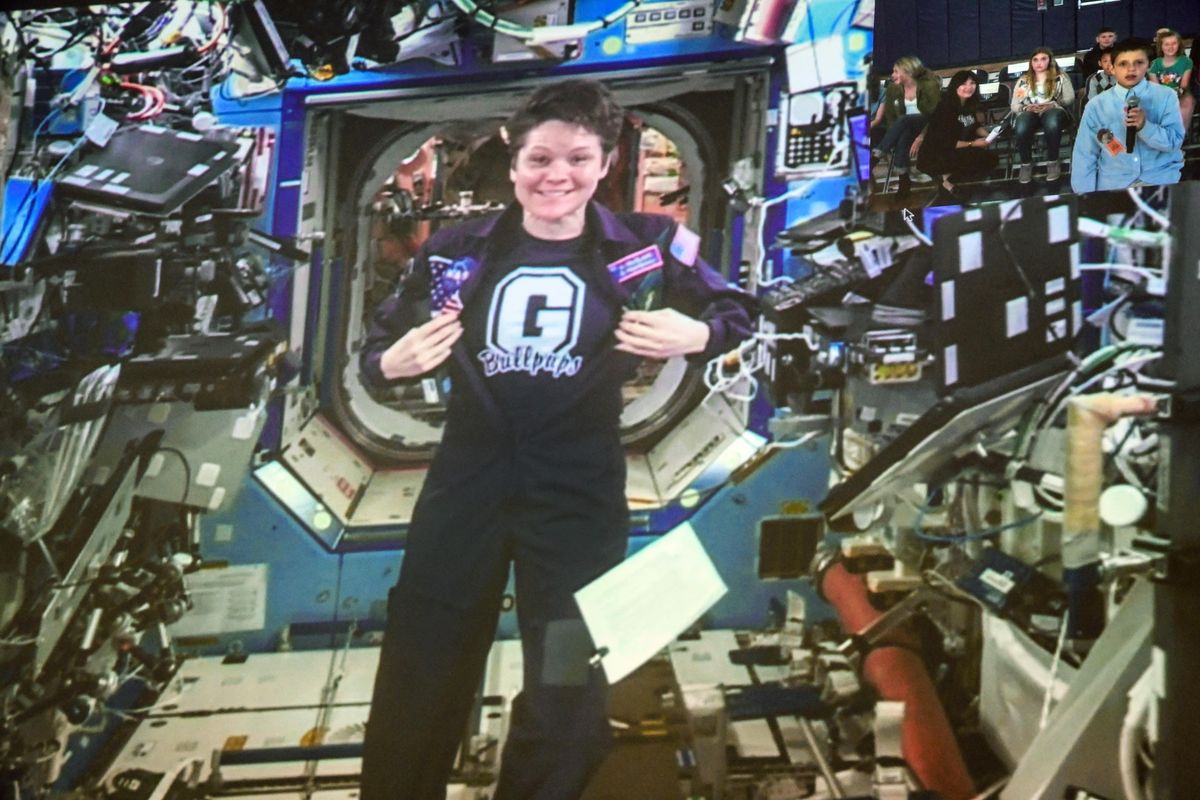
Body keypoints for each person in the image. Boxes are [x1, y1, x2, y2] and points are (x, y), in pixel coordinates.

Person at [357, 79, 755, 800]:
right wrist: (391, 361)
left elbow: (740, 312)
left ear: (605, 164)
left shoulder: (650, 245)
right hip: (465, 489)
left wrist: (697, 334)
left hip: (578, 498)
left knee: (570, 686)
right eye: (540, 159)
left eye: (577, 158)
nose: (556, 177)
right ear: (513, 162)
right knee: (421, 674)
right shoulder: (455, 252)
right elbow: (375, 352)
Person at [1071, 39, 1185, 193]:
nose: (1131, 69)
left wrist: (1145, 127)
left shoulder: (1166, 96)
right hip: (1114, 183)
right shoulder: (1095, 106)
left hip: (1161, 178)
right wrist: (1085, 197)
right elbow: (1084, 155)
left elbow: (1174, 142)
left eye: (1139, 62)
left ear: (1149, 65)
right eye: (1123, 64)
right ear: (1111, 68)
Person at [914, 70, 1000, 201]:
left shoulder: (968, 104)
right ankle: (945, 181)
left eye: (972, 83)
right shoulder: (946, 107)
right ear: (955, 86)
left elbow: (974, 125)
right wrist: (975, 143)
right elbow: (946, 142)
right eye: (964, 84)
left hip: (954, 149)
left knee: (991, 159)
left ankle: (946, 181)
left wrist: (990, 135)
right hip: (935, 155)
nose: (969, 87)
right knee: (982, 159)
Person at [869, 55, 941, 197]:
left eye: (896, 71)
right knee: (903, 132)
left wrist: (921, 136)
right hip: (905, 128)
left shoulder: (929, 85)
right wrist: (893, 137)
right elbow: (891, 118)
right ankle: (904, 180)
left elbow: (936, 115)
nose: (892, 75)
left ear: (907, 71)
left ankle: (877, 156)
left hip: (927, 126)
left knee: (904, 120)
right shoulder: (893, 89)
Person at [1011, 47, 1075, 183]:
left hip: (1054, 110)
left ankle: (1052, 162)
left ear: (1050, 61)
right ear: (1031, 62)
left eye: (1043, 59)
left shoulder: (1060, 77)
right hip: (1031, 112)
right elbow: (1014, 105)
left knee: (1051, 122)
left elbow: (1070, 98)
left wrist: (1053, 104)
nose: (1039, 63)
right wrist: (1026, 107)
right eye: (1035, 60)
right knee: (1021, 125)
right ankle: (1026, 164)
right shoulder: (1024, 80)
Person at [1149, 29, 1194, 136]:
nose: (1170, 47)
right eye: (1167, 44)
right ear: (1161, 46)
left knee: (1186, 103)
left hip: (1180, 94)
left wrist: (1175, 95)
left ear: (1179, 45)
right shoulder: (1155, 64)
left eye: (1174, 43)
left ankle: (1178, 139)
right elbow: (1155, 87)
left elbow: (1184, 85)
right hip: (1160, 95)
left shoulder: (1186, 62)